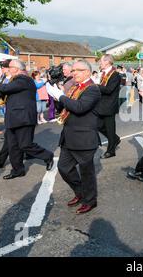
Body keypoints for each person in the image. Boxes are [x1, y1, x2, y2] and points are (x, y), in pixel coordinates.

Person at [46, 60, 102, 214]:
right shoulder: (75, 87)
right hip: (69, 136)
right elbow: (64, 107)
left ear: (88, 72)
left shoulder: (93, 89)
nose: (74, 73)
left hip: (83, 138)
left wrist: (60, 96)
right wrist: (57, 96)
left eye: (78, 70)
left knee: (87, 173)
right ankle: (80, 192)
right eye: (73, 70)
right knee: (64, 168)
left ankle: (90, 200)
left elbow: (79, 107)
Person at [0, 60, 54, 180]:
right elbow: (5, 92)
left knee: (25, 145)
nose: (8, 69)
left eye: (10, 67)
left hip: (23, 118)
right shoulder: (16, 81)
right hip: (14, 117)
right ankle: (18, 170)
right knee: (13, 146)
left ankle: (47, 155)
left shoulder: (24, 79)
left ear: (16, 68)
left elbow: (6, 88)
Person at [98, 54, 121, 159]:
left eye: (101, 61)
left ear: (107, 62)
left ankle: (111, 151)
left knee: (110, 129)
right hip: (101, 105)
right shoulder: (103, 74)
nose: (100, 63)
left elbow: (109, 90)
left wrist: (95, 86)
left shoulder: (115, 75)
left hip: (109, 106)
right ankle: (115, 139)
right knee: (98, 125)